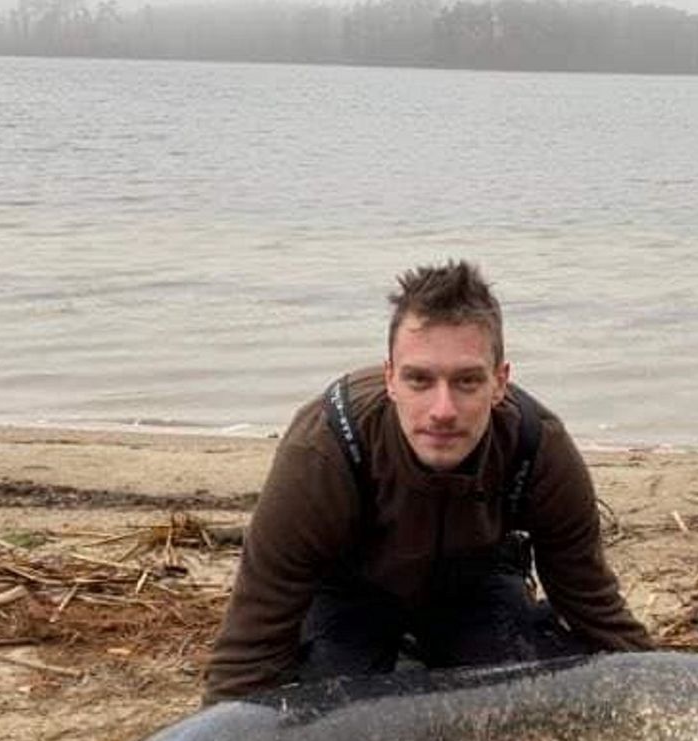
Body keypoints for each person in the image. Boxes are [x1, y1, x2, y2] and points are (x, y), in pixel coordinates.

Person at [203, 260, 652, 702]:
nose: (442, 410)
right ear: (390, 379)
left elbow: (593, 606)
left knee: (523, 698)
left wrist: (659, 688)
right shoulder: (323, 449)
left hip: (475, 587)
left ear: (500, 382)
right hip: (352, 592)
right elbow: (250, 645)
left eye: (467, 381)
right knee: (319, 708)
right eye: (419, 380)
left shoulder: (537, 447)